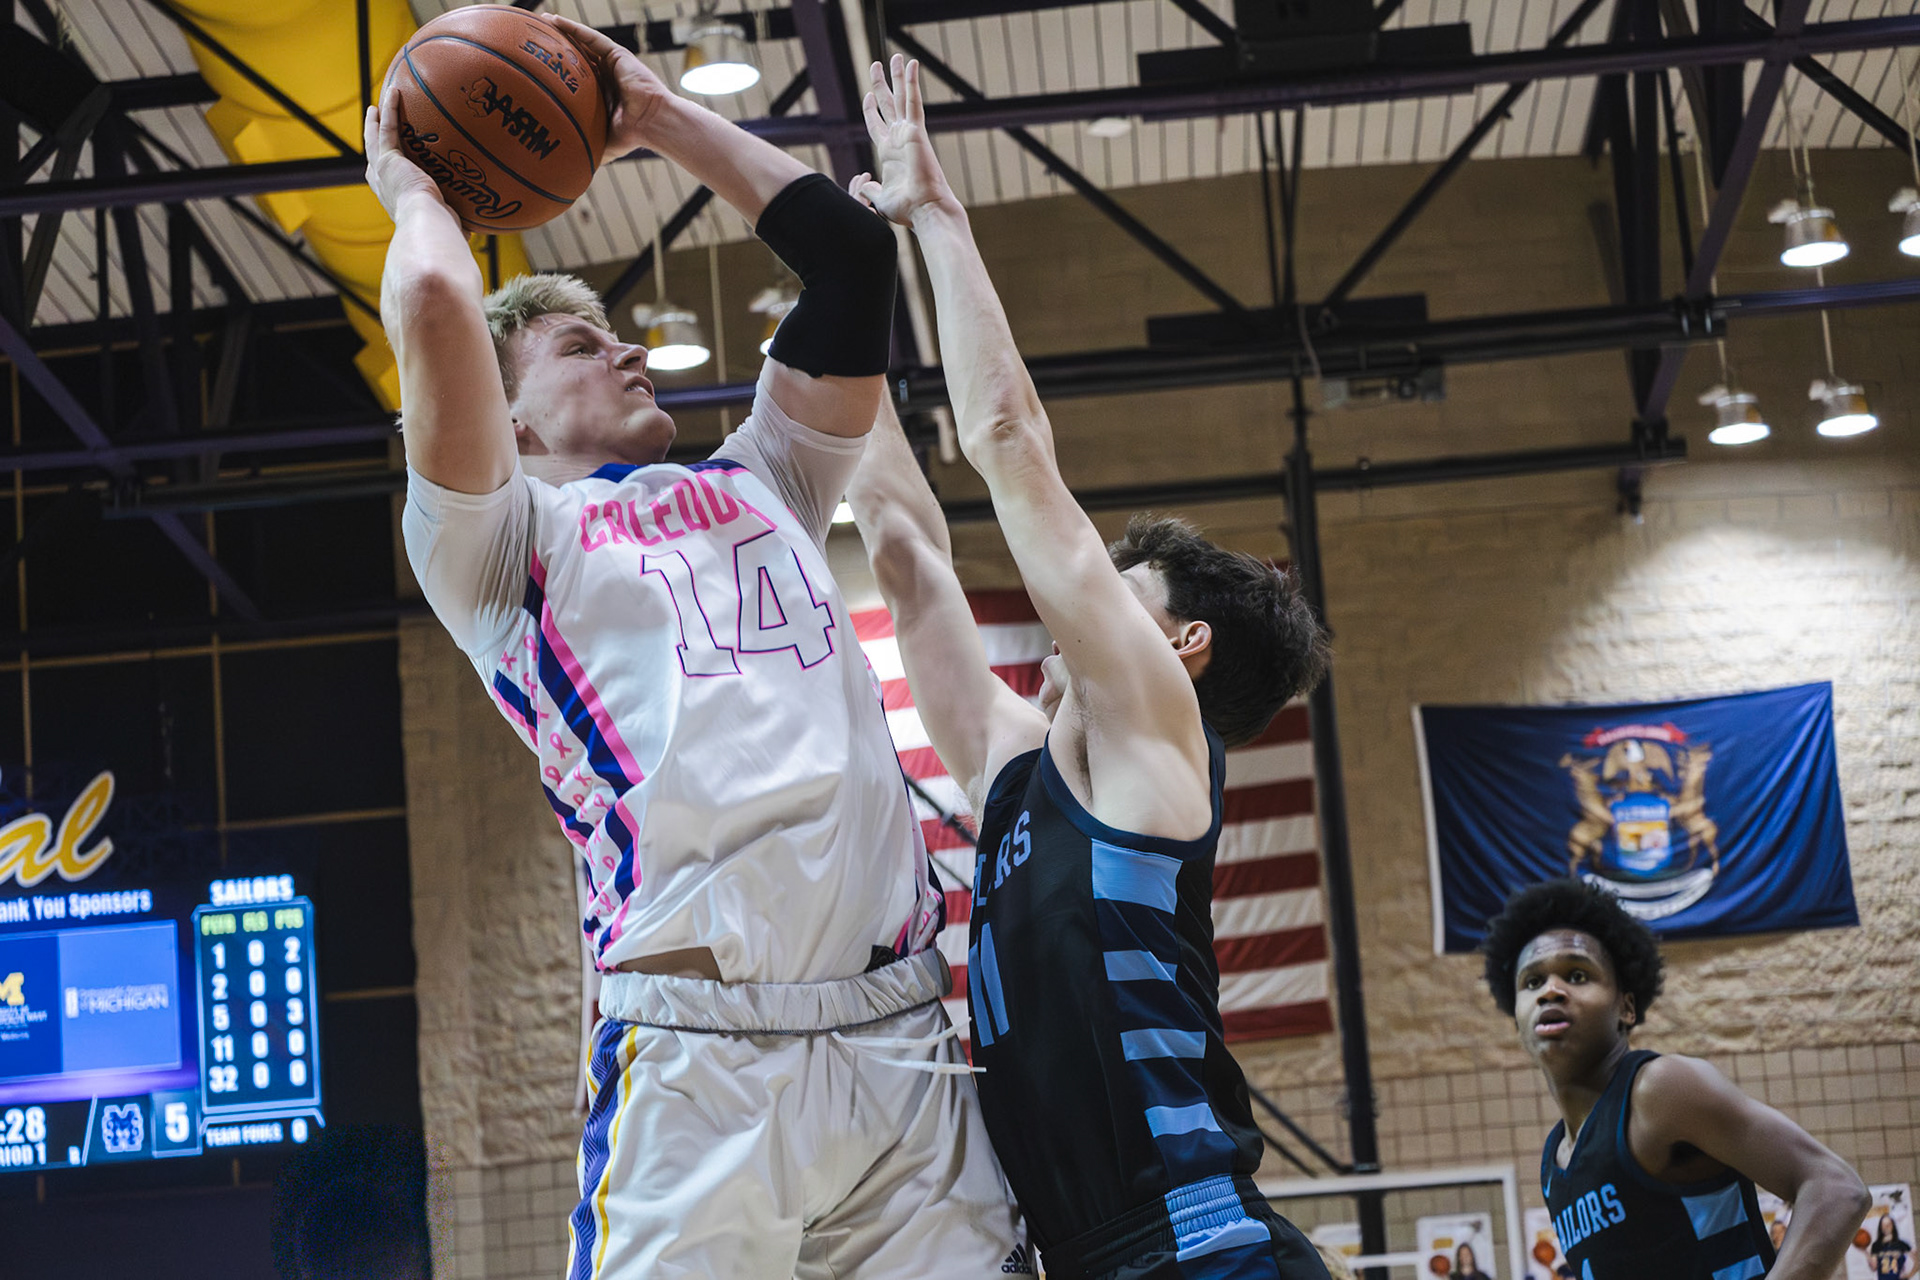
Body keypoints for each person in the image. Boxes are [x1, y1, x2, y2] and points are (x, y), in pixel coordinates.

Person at [364, 16, 1024, 1279]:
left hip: (900, 1034)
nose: (624, 347)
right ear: (507, 414)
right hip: (695, 1059)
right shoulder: (498, 549)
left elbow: (850, 260)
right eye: (577, 345)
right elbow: (440, 298)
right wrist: (414, 189)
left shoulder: (768, 475)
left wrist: (655, 117)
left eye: (615, 332)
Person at [845, 56, 1332, 1280]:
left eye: (1123, 586)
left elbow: (1010, 440)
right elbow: (906, 558)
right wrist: (838, 325)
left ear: (1179, 644)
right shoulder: (1020, 776)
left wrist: (934, 214)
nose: (1086, 596)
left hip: (1199, 1248)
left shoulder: (1160, 735)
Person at [1481, 880, 1870, 1280]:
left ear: (1626, 1008)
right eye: (1533, 982)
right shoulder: (1554, 1164)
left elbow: (1836, 1188)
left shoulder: (1660, 1090)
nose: (1551, 991)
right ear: (1517, 1021)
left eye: (1577, 975)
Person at [1871, 1213, 1916, 1280]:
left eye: (1888, 1224)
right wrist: (1865, 1252)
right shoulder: (1876, 1246)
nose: (1886, 1227)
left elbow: (1917, 1260)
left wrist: (1909, 1275)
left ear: (1892, 1226)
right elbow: (1874, 1267)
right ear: (1880, 1227)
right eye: (1883, 1225)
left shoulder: (1901, 1244)